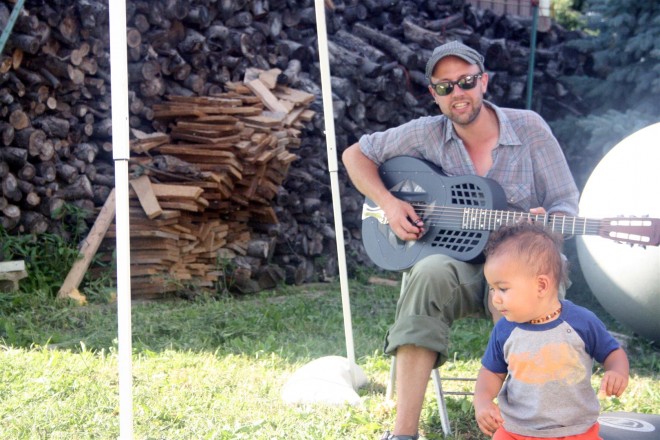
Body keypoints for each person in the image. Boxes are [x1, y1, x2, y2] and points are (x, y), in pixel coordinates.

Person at [341, 40, 580, 440]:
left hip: (523, 265)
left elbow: (566, 204)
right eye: (444, 86)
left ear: (484, 82)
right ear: (434, 95)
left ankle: (519, 424)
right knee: (426, 273)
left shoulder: (531, 129)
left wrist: (548, 226)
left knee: (514, 292)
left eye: (466, 81)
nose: (458, 93)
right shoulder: (426, 134)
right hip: (459, 263)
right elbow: (354, 155)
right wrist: (390, 203)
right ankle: (404, 433)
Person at [474, 222, 629, 439]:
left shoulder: (581, 322)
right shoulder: (505, 330)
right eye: (492, 288)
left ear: (541, 286)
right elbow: (491, 372)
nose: (495, 297)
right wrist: (482, 401)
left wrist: (617, 371)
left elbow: (613, 353)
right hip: (517, 431)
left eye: (503, 288)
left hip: (575, 431)